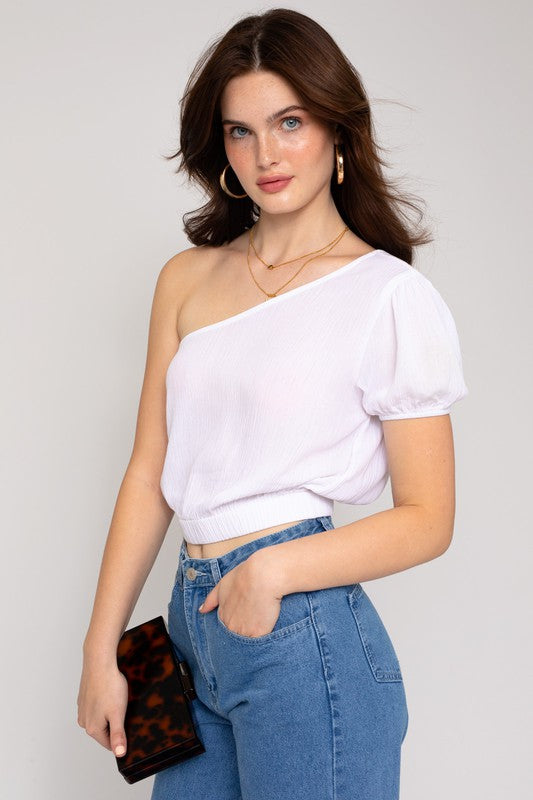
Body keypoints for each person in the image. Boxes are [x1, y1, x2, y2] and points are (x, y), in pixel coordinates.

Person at [77, 8, 469, 800]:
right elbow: (150, 468)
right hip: (190, 630)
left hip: (300, 628)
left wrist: (273, 572)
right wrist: (99, 647)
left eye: (288, 122)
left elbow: (428, 518)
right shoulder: (186, 279)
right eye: (240, 131)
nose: (266, 155)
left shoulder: (389, 295)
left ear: (336, 128)